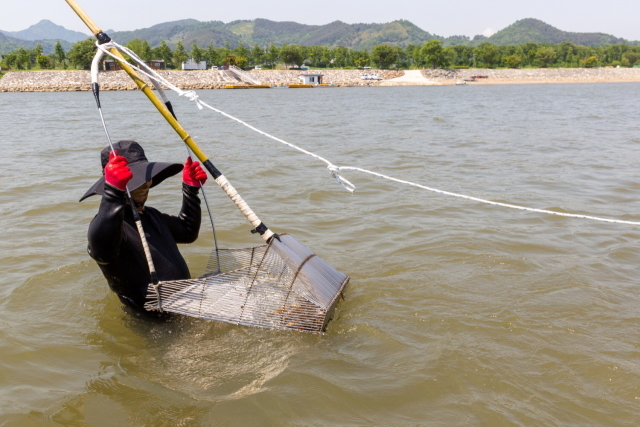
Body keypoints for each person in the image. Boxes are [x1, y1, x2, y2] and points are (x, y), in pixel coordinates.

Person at [80, 140, 208, 315]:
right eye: (134, 178)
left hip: (186, 304)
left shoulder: (151, 215)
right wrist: (112, 192)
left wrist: (190, 190)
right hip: (152, 319)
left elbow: (187, 232)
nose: (144, 184)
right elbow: (102, 250)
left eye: (144, 177)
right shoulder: (110, 226)